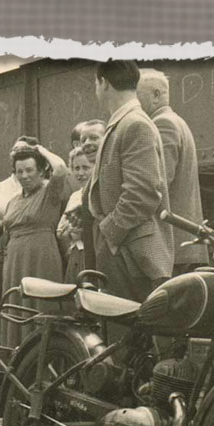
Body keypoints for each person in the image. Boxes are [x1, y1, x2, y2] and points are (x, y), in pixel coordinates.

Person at [83, 60, 173, 302]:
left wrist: (109, 233)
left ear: (103, 83)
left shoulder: (134, 124)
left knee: (126, 333)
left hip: (129, 255)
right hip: (126, 251)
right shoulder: (127, 123)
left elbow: (142, 194)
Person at [137, 68, 209, 274]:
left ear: (156, 95)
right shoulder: (176, 122)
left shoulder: (162, 124)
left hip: (173, 248)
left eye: (136, 95)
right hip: (183, 244)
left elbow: (158, 183)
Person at [0, 145, 71, 349]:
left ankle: (42, 367)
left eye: (29, 170)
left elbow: (61, 168)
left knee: (41, 308)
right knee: (16, 307)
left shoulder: (50, 193)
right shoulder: (13, 201)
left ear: (41, 171)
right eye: (19, 171)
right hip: (14, 262)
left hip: (40, 257)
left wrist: (40, 150)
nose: (24, 175)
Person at [0, 136, 39, 325]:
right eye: (15, 150)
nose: (18, 153)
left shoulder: (43, 185)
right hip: (5, 247)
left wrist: (12, 223)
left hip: (33, 248)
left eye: (24, 149)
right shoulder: (1, 187)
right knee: (7, 298)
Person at [57, 145, 93, 282]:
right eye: (76, 168)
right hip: (75, 254)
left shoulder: (98, 195)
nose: (80, 173)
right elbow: (61, 231)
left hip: (91, 254)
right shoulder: (75, 196)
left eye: (85, 167)